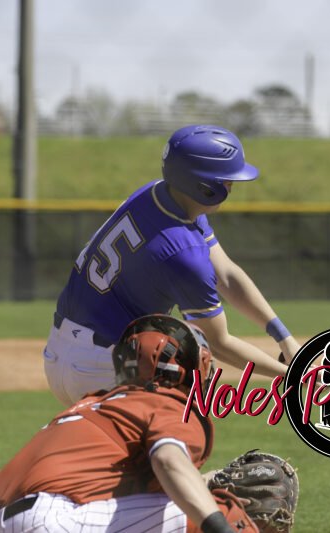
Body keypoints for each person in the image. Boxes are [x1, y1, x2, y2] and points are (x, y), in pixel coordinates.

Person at [45, 124, 301, 405]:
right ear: (205, 187)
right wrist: (292, 375)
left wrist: (283, 337)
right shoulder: (184, 252)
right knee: (180, 441)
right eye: (227, 180)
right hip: (106, 370)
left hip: (64, 352)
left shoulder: (160, 196)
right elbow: (219, 343)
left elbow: (226, 274)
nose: (232, 185)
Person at [0, 314, 258, 533]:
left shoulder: (92, 403)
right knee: (224, 512)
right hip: (49, 521)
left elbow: (115, 485)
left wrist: (208, 480)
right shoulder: (167, 402)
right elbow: (169, 462)